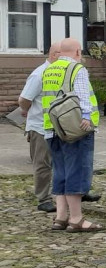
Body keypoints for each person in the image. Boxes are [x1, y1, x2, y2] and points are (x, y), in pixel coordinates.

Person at [41, 38, 103, 232]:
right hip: (75, 129)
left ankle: (60, 217)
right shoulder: (77, 69)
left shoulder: (48, 69)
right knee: (77, 171)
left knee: (60, 172)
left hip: (52, 128)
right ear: (78, 52)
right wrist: (87, 118)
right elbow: (83, 97)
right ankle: (76, 219)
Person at [18, 43, 60, 213]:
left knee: (59, 162)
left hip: (58, 126)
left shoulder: (61, 72)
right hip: (40, 127)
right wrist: (27, 111)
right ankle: (43, 198)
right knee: (42, 163)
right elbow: (24, 99)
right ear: (54, 54)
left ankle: (63, 194)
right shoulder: (39, 74)